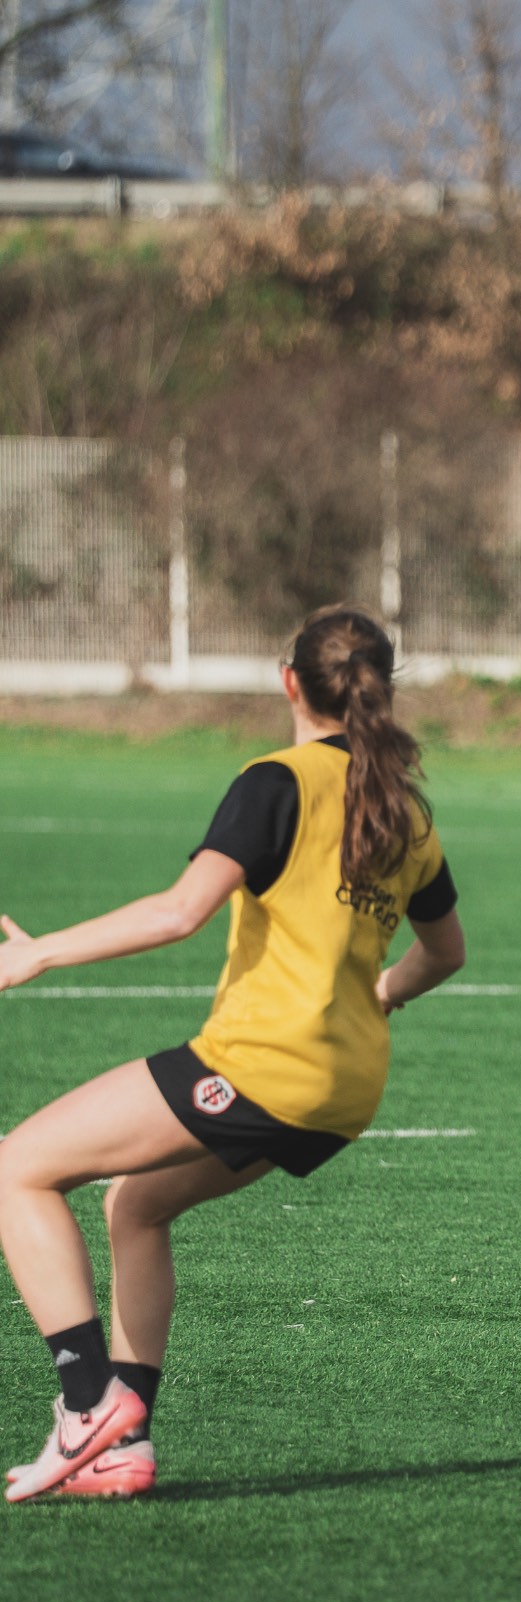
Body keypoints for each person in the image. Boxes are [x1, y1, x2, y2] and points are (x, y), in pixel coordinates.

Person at [0, 607, 463, 1500]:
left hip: (260, 1066)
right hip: (348, 1090)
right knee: (135, 1207)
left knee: (17, 1168)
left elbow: (180, 912)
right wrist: (384, 991)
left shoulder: (276, 780)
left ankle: (84, 1402)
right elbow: (446, 953)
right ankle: (122, 1449)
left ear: (289, 682)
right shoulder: (406, 808)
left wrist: (39, 951)